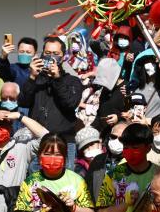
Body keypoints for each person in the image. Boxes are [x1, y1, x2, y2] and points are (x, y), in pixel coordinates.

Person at [18, 36, 83, 169]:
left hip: (63, 142)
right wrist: (31, 77)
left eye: (55, 54)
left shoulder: (72, 81)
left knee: (65, 185)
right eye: (47, 53)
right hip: (37, 142)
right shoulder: (35, 79)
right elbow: (23, 102)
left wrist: (57, 79)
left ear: (63, 56)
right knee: (34, 184)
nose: (51, 57)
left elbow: (70, 103)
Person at [15, 132, 95, 212]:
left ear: (65, 157)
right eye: (47, 154)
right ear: (39, 157)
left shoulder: (77, 181)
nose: (52, 159)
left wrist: (73, 208)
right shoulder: (29, 183)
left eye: (57, 154)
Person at [96, 123, 158, 212]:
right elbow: (101, 210)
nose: (130, 152)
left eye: (135, 148)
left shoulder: (159, 174)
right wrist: (126, 205)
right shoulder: (113, 175)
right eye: (126, 147)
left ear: (148, 148)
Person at [127, 49, 160, 120]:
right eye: (146, 62)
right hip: (139, 127)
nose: (149, 65)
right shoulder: (137, 88)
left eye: (153, 62)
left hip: (156, 127)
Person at [86, 121, 129, 204]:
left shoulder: (132, 163)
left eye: (122, 139)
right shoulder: (98, 159)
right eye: (113, 137)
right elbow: (88, 187)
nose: (116, 141)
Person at [91, 57, 126, 138]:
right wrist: (92, 128)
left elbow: (131, 112)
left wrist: (119, 117)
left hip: (119, 135)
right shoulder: (105, 89)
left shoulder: (125, 88)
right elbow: (100, 112)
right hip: (104, 134)